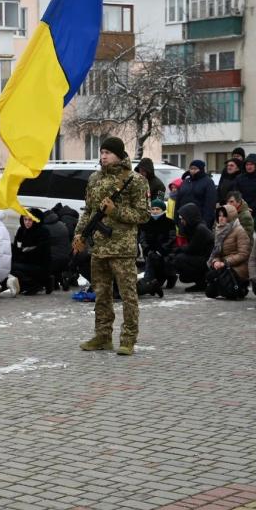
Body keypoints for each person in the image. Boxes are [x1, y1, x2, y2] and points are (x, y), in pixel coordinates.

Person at [73, 136, 149, 355]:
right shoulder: (95, 178)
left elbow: (143, 215)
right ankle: (103, 336)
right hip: (100, 246)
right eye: (102, 152)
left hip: (122, 248)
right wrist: (79, 234)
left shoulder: (134, 180)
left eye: (108, 152)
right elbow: (88, 210)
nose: (103, 156)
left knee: (128, 295)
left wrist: (115, 211)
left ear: (119, 155)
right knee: (102, 294)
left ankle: (128, 339)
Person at [205, 203, 250, 300]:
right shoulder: (219, 231)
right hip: (224, 265)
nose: (221, 218)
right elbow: (217, 252)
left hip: (238, 267)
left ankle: (241, 287)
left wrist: (225, 262)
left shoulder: (239, 231)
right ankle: (228, 288)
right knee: (210, 289)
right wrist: (215, 261)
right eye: (219, 215)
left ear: (230, 217)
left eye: (224, 216)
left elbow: (244, 254)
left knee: (229, 292)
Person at [167, 202, 214, 292]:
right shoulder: (192, 227)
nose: (181, 221)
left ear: (189, 217)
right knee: (177, 260)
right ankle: (200, 282)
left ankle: (202, 282)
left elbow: (192, 249)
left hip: (207, 261)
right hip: (201, 258)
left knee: (179, 259)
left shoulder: (200, 229)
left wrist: (178, 250)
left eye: (183, 218)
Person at [137, 197, 174, 297]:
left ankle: (170, 276)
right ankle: (150, 283)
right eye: (153, 209)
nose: (155, 211)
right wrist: (147, 249)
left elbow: (171, 239)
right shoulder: (146, 222)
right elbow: (142, 239)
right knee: (151, 259)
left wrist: (161, 251)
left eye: (157, 209)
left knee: (162, 261)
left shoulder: (169, 222)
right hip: (150, 253)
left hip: (164, 253)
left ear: (163, 210)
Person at [11, 210, 52, 294]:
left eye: (30, 220)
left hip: (39, 264)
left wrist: (25, 251)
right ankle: (30, 284)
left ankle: (34, 285)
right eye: (25, 219)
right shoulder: (21, 230)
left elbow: (41, 251)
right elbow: (16, 247)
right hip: (25, 261)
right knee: (11, 266)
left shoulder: (42, 231)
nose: (27, 222)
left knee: (14, 268)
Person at [176, 160, 217, 227]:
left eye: (195, 169)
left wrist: (206, 222)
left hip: (199, 222)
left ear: (201, 169)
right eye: (191, 168)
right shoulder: (185, 182)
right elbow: (178, 201)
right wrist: (176, 218)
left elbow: (210, 204)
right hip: (184, 221)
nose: (192, 171)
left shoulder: (208, 182)